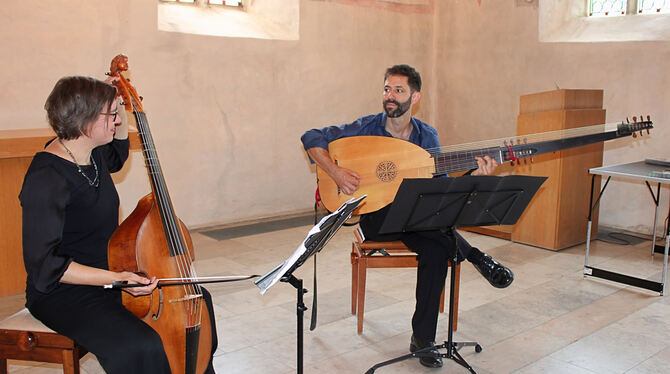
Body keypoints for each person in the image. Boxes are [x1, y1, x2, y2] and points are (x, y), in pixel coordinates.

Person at [301, 64, 514, 368]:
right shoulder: (366, 127)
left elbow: (439, 188)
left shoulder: (426, 135)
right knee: (427, 224)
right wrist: (335, 172)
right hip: (376, 218)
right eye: (387, 88)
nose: (390, 96)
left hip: (417, 221)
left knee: (438, 246)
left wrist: (472, 173)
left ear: (415, 97)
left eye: (398, 90)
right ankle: (476, 256)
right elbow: (311, 136)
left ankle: (422, 339)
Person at [20, 76, 217, 374]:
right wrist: (116, 279)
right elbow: (46, 266)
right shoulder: (46, 178)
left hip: (110, 274)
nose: (117, 121)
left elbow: (118, 154)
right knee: (138, 344)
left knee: (200, 301)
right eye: (111, 115)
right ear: (83, 119)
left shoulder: (94, 153)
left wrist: (121, 104)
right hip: (63, 290)